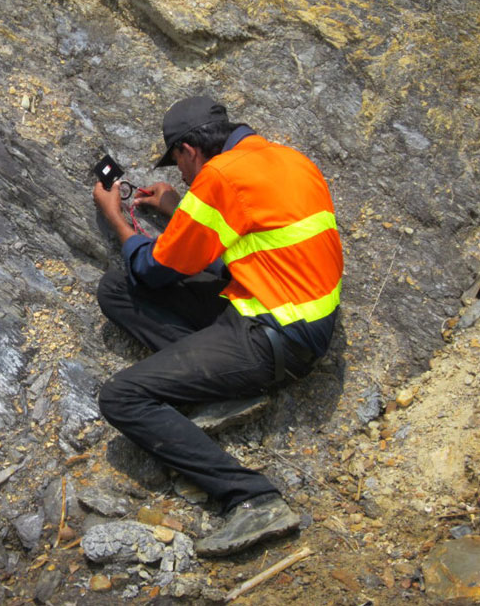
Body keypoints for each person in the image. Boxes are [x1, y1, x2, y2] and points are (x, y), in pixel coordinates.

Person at [92, 96, 343, 556]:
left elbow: (153, 269)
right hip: (287, 310)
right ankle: (226, 387)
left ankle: (252, 498)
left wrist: (117, 219)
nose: (181, 176)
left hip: (273, 335)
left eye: (178, 165)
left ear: (189, 150)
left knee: (121, 396)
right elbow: (247, 234)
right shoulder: (286, 159)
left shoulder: (219, 177)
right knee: (116, 288)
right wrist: (181, 209)